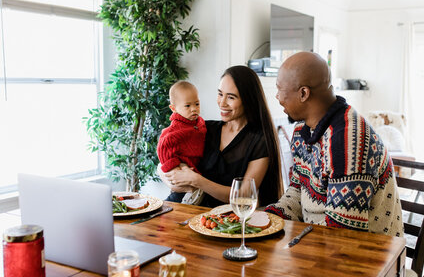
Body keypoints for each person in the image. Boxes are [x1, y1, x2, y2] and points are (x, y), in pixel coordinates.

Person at [264, 52, 403, 237]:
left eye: (279, 89)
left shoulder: (348, 143)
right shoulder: (302, 131)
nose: (277, 96)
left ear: (303, 93)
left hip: (368, 257)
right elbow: (298, 190)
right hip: (316, 242)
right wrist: (268, 220)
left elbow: (343, 235)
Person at [164, 65, 282, 208]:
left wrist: (197, 181)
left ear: (248, 100)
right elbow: (165, 159)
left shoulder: (259, 141)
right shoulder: (203, 128)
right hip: (182, 209)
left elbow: (243, 196)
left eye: (231, 97)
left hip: (222, 221)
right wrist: (168, 175)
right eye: (220, 94)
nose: (222, 102)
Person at [157, 81, 207, 203]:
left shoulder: (199, 122)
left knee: (198, 194)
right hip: (182, 167)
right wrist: (174, 168)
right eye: (187, 106)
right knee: (181, 198)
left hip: (196, 168)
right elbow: (162, 148)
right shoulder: (174, 131)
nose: (194, 109)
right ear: (173, 108)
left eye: (197, 104)